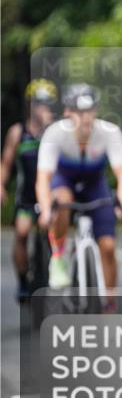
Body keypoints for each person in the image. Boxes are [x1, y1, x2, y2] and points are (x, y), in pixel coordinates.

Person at [35, 83, 122, 309]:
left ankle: (109, 306)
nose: (85, 118)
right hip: (64, 183)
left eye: (89, 111)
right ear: (68, 112)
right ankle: (58, 256)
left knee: (108, 247)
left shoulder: (109, 132)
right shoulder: (55, 134)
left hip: (95, 186)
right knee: (61, 198)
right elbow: (43, 178)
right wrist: (46, 209)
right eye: (79, 112)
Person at [0, 79, 58, 302]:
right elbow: (6, 163)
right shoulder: (18, 133)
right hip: (26, 195)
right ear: (30, 104)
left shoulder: (56, 131)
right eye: (39, 103)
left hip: (50, 194)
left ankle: (52, 270)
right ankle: (23, 280)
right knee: (22, 233)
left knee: (53, 234)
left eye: (48, 103)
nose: (44, 108)